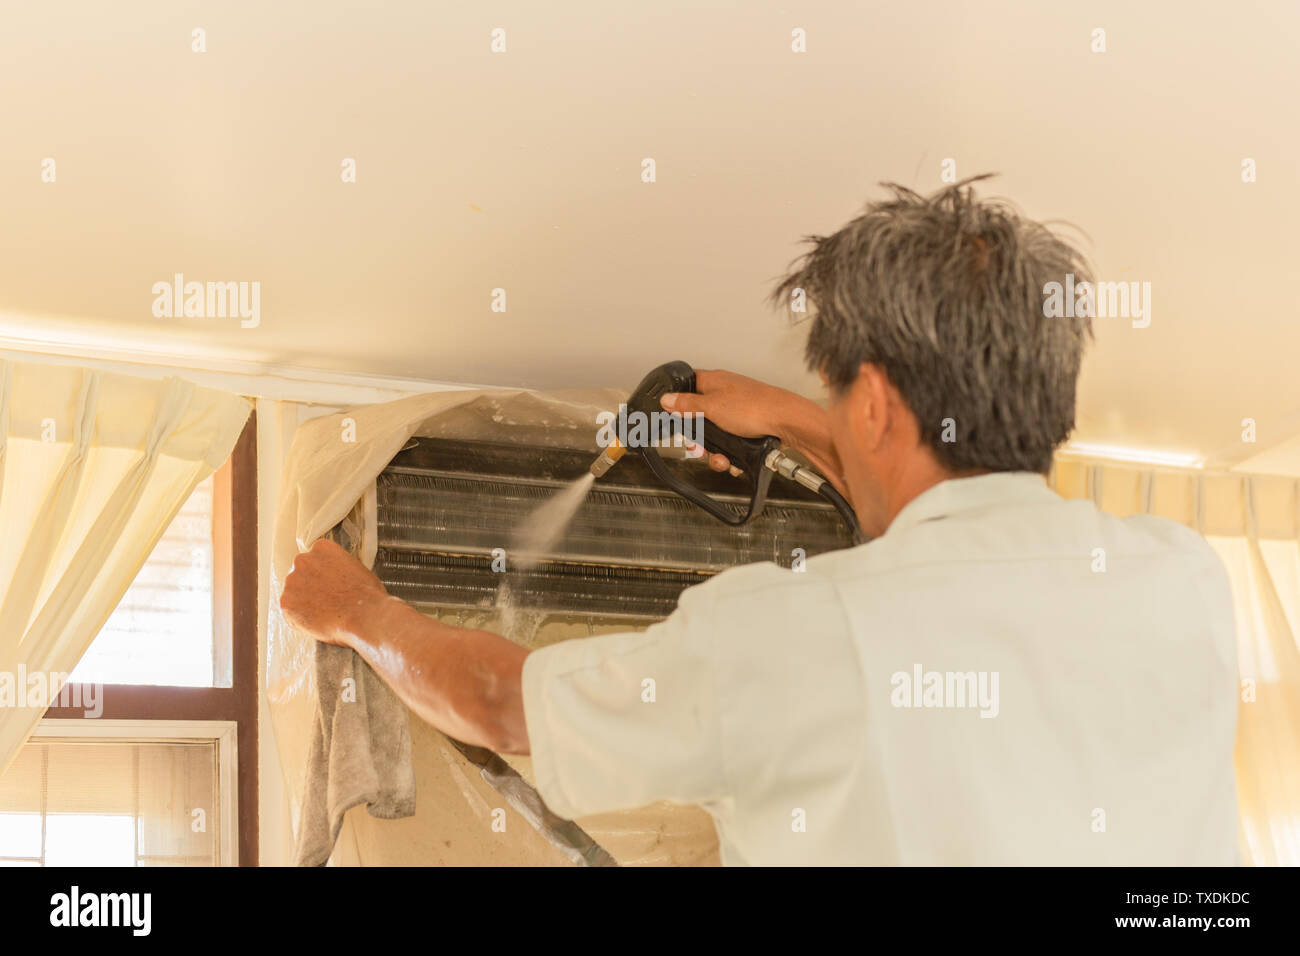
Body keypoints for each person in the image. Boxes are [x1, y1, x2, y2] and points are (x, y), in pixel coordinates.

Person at [281, 177, 1238, 865]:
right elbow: (948, 530)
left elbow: (498, 704)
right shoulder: (1182, 579)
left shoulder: (784, 632)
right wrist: (795, 417)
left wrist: (359, 609)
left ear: (874, 407)